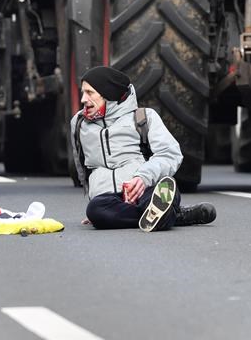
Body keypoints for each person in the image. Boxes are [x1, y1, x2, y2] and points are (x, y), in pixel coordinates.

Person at [70, 66, 217, 232]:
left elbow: (170, 153)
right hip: (109, 197)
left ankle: (159, 212)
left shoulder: (143, 117)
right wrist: (93, 200)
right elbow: (83, 168)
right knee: (96, 211)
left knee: (165, 190)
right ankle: (172, 216)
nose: (83, 99)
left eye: (90, 93)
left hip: (145, 189)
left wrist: (143, 178)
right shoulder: (78, 123)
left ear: (108, 94)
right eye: (83, 92)